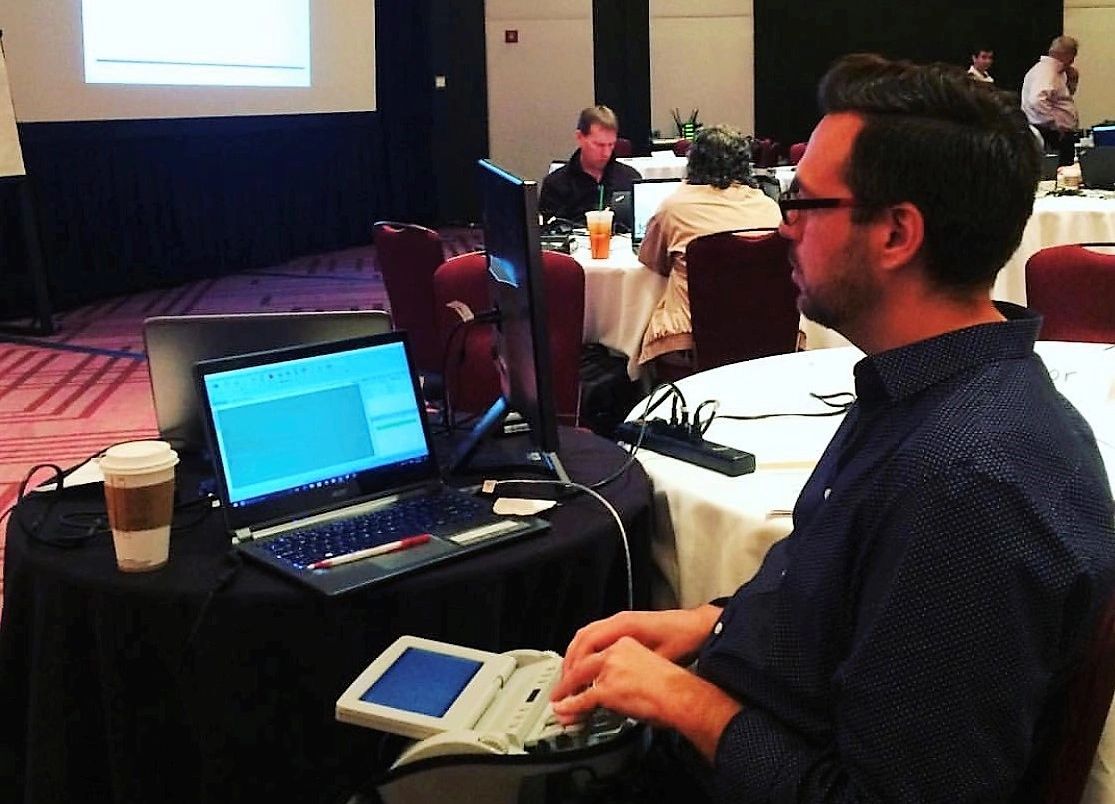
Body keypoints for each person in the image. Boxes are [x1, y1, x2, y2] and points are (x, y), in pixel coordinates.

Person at [550, 53, 1115, 802]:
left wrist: (684, 700)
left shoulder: (967, 486)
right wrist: (706, 625)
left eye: (804, 203)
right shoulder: (928, 387)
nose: (783, 227)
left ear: (894, 234)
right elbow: (842, 600)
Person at [636, 125, 781, 370]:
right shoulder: (769, 207)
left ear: (693, 163)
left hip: (690, 339)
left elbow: (653, 262)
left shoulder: (674, 207)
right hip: (766, 335)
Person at [539, 105, 641, 224]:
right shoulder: (556, 184)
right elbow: (546, 234)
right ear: (580, 137)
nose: (606, 153)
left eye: (611, 145)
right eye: (599, 145)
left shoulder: (630, 178)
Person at [1022, 35, 1081, 166]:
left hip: (1055, 133)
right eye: (1072, 56)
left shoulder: (1051, 72)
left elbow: (1061, 100)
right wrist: (1055, 124)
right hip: (1052, 135)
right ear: (1067, 54)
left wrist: (1072, 81)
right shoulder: (1047, 72)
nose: (1072, 61)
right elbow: (1037, 101)